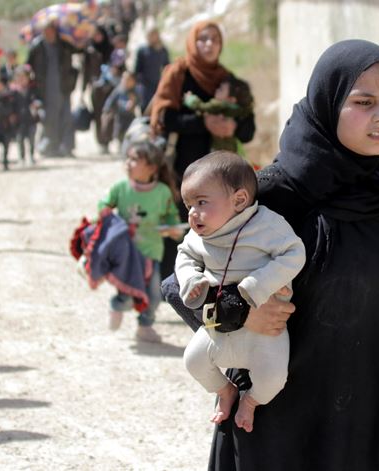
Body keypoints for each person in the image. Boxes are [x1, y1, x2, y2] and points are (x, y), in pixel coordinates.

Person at [162, 39, 379, 470]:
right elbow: (177, 283)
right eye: (363, 101)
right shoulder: (278, 195)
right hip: (282, 428)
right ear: (328, 102)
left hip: (378, 422)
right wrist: (238, 314)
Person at [177, 151, 305, 433]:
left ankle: (250, 402)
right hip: (218, 326)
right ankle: (225, 392)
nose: (192, 213)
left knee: (273, 379)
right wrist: (190, 281)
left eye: (201, 202)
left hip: (265, 329)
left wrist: (256, 285)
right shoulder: (199, 236)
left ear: (239, 200)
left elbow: (294, 254)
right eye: (188, 205)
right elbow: (184, 255)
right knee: (193, 361)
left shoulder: (266, 226)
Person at [148, 20, 256, 279]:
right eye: (202, 39)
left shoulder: (229, 81)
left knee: (218, 225)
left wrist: (231, 127)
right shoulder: (178, 75)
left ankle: (208, 282)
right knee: (178, 225)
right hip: (181, 169)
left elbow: (248, 130)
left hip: (220, 175)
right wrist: (203, 122)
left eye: (214, 40)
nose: (209, 45)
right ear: (192, 42)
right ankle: (170, 283)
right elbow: (163, 119)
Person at [99, 140, 182, 342]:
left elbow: (172, 217)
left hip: (151, 252)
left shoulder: (162, 192)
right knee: (127, 295)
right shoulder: (120, 188)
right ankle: (117, 306)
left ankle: (145, 326)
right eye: (127, 158)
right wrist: (107, 215)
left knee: (154, 296)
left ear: (152, 167)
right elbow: (104, 206)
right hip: (126, 255)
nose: (128, 163)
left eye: (135, 159)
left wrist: (173, 229)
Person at [27, 19, 77, 157]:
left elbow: (77, 49)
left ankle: (67, 147)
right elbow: (28, 66)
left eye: (50, 31)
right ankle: (50, 146)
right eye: (45, 31)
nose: (48, 34)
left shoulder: (63, 45)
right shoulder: (37, 47)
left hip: (63, 86)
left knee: (66, 116)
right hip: (45, 89)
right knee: (49, 119)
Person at [103, 70, 142, 148]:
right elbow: (111, 100)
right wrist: (107, 110)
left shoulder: (135, 91)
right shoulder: (119, 90)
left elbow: (139, 101)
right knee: (119, 132)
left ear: (133, 82)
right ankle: (120, 144)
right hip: (120, 116)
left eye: (129, 80)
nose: (126, 82)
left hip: (131, 116)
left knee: (131, 132)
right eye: (124, 79)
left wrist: (134, 102)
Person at [133, 26, 169, 111]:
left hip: (158, 83)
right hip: (145, 85)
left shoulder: (163, 50)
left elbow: (167, 66)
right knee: (145, 107)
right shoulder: (142, 50)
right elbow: (137, 69)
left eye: (154, 35)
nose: (152, 37)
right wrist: (138, 83)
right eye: (150, 35)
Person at [12, 65, 40, 165]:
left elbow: (38, 99)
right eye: (18, 77)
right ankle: (22, 158)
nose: (21, 79)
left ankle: (32, 156)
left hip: (31, 119)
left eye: (23, 77)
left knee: (31, 139)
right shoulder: (13, 91)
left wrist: (36, 104)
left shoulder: (33, 89)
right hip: (19, 119)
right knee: (20, 139)